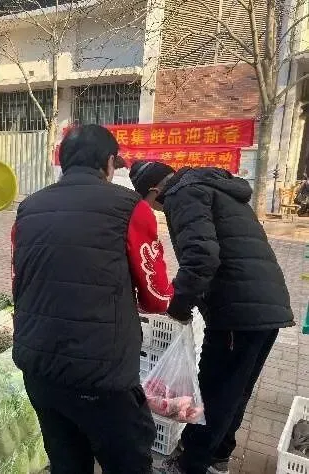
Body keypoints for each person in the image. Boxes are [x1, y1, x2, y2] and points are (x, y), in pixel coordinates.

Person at [11, 125, 174, 473]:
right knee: (127, 463)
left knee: (66, 461)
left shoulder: (28, 208)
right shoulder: (131, 207)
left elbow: (19, 281)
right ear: (109, 162)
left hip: (39, 368)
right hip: (101, 374)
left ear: (63, 160)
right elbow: (157, 297)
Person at [129, 161, 295, 474]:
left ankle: (190, 465)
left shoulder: (182, 195)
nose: (155, 210)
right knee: (236, 390)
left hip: (236, 311)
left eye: (149, 204)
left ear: (154, 191)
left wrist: (178, 305)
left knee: (215, 393)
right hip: (267, 306)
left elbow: (201, 257)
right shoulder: (216, 188)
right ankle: (218, 457)